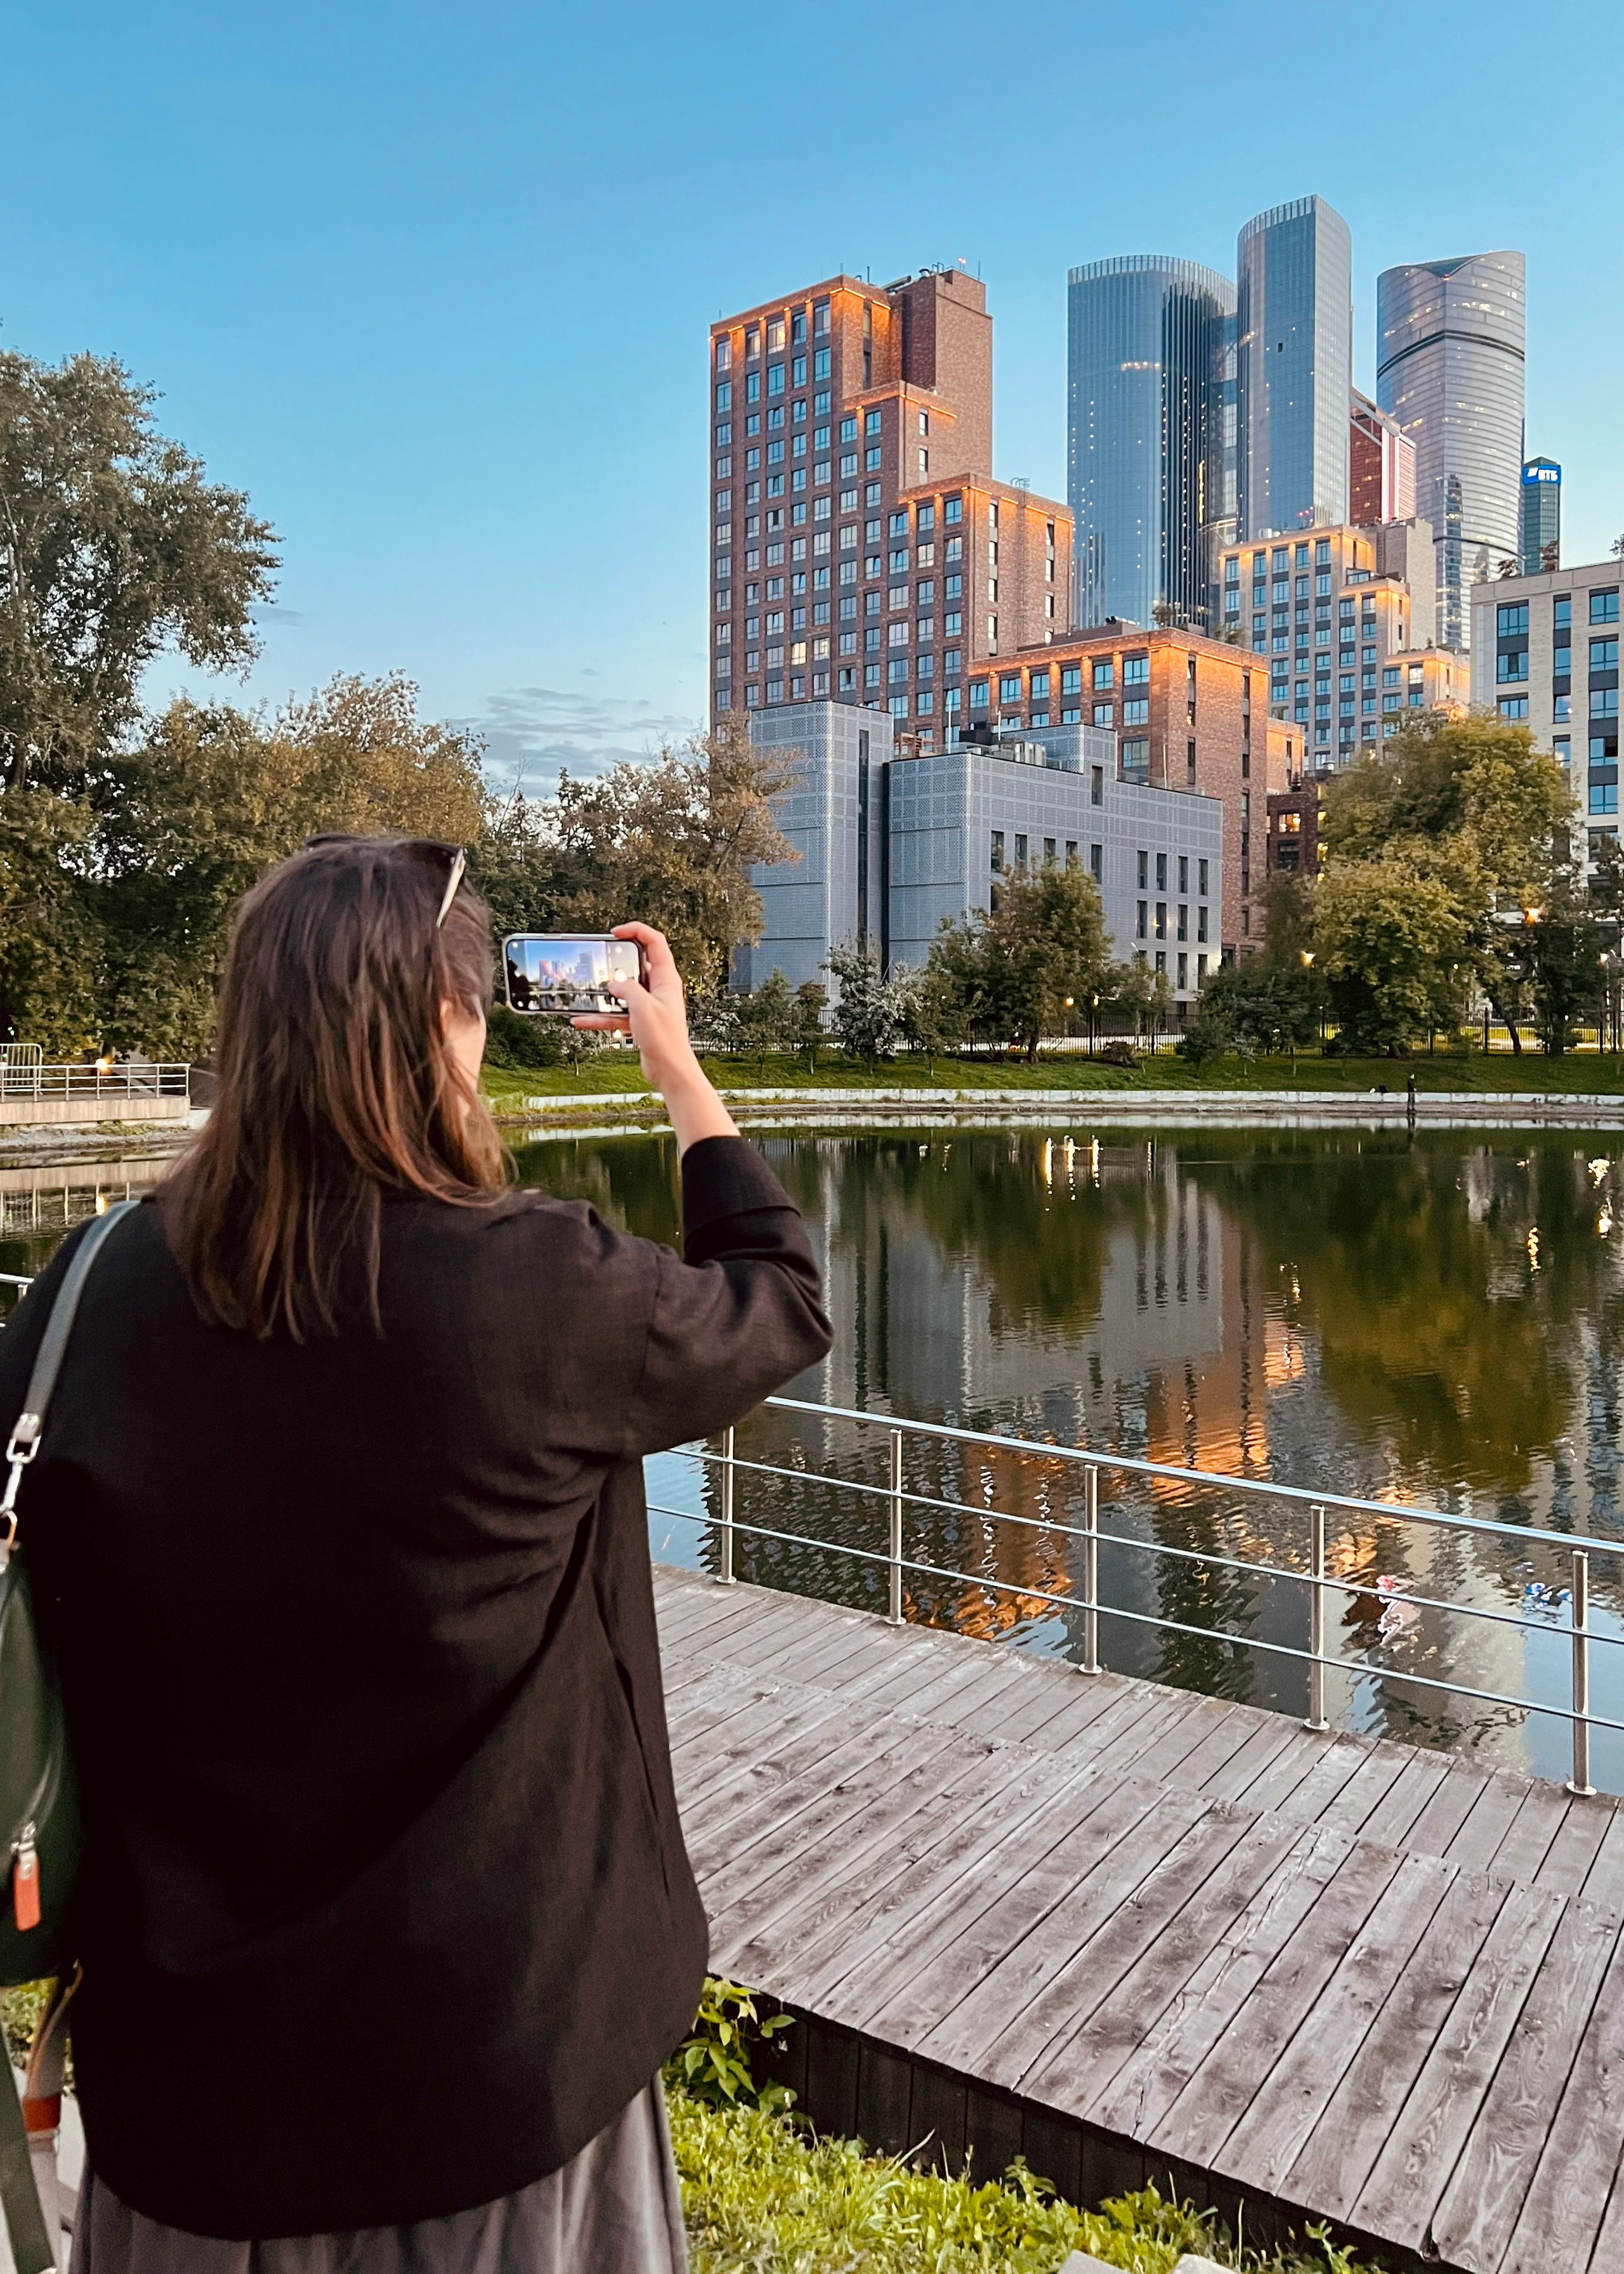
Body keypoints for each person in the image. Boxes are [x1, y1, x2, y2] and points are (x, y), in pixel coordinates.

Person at [0, 837, 832, 2271]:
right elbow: (776, 1296)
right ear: (442, 1023)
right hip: (497, 2082)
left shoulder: (91, 1288)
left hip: (190, 2101)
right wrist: (678, 1072)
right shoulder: (538, 1286)